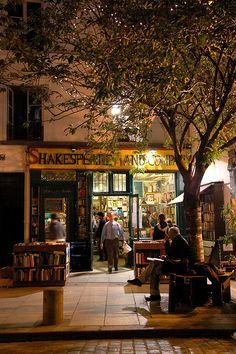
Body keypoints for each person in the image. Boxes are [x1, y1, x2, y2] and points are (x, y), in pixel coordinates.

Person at [127, 226, 190, 301]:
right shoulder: (179, 240)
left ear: (174, 233)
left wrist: (166, 242)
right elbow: (174, 254)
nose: (168, 236)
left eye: (169, 234)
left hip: (176, 266)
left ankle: (143, 283)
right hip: (175, 264)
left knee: (154, 266)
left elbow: (170, 253)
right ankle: (151, 292)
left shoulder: (177, 240)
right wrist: (165, 257)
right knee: (154, 269)